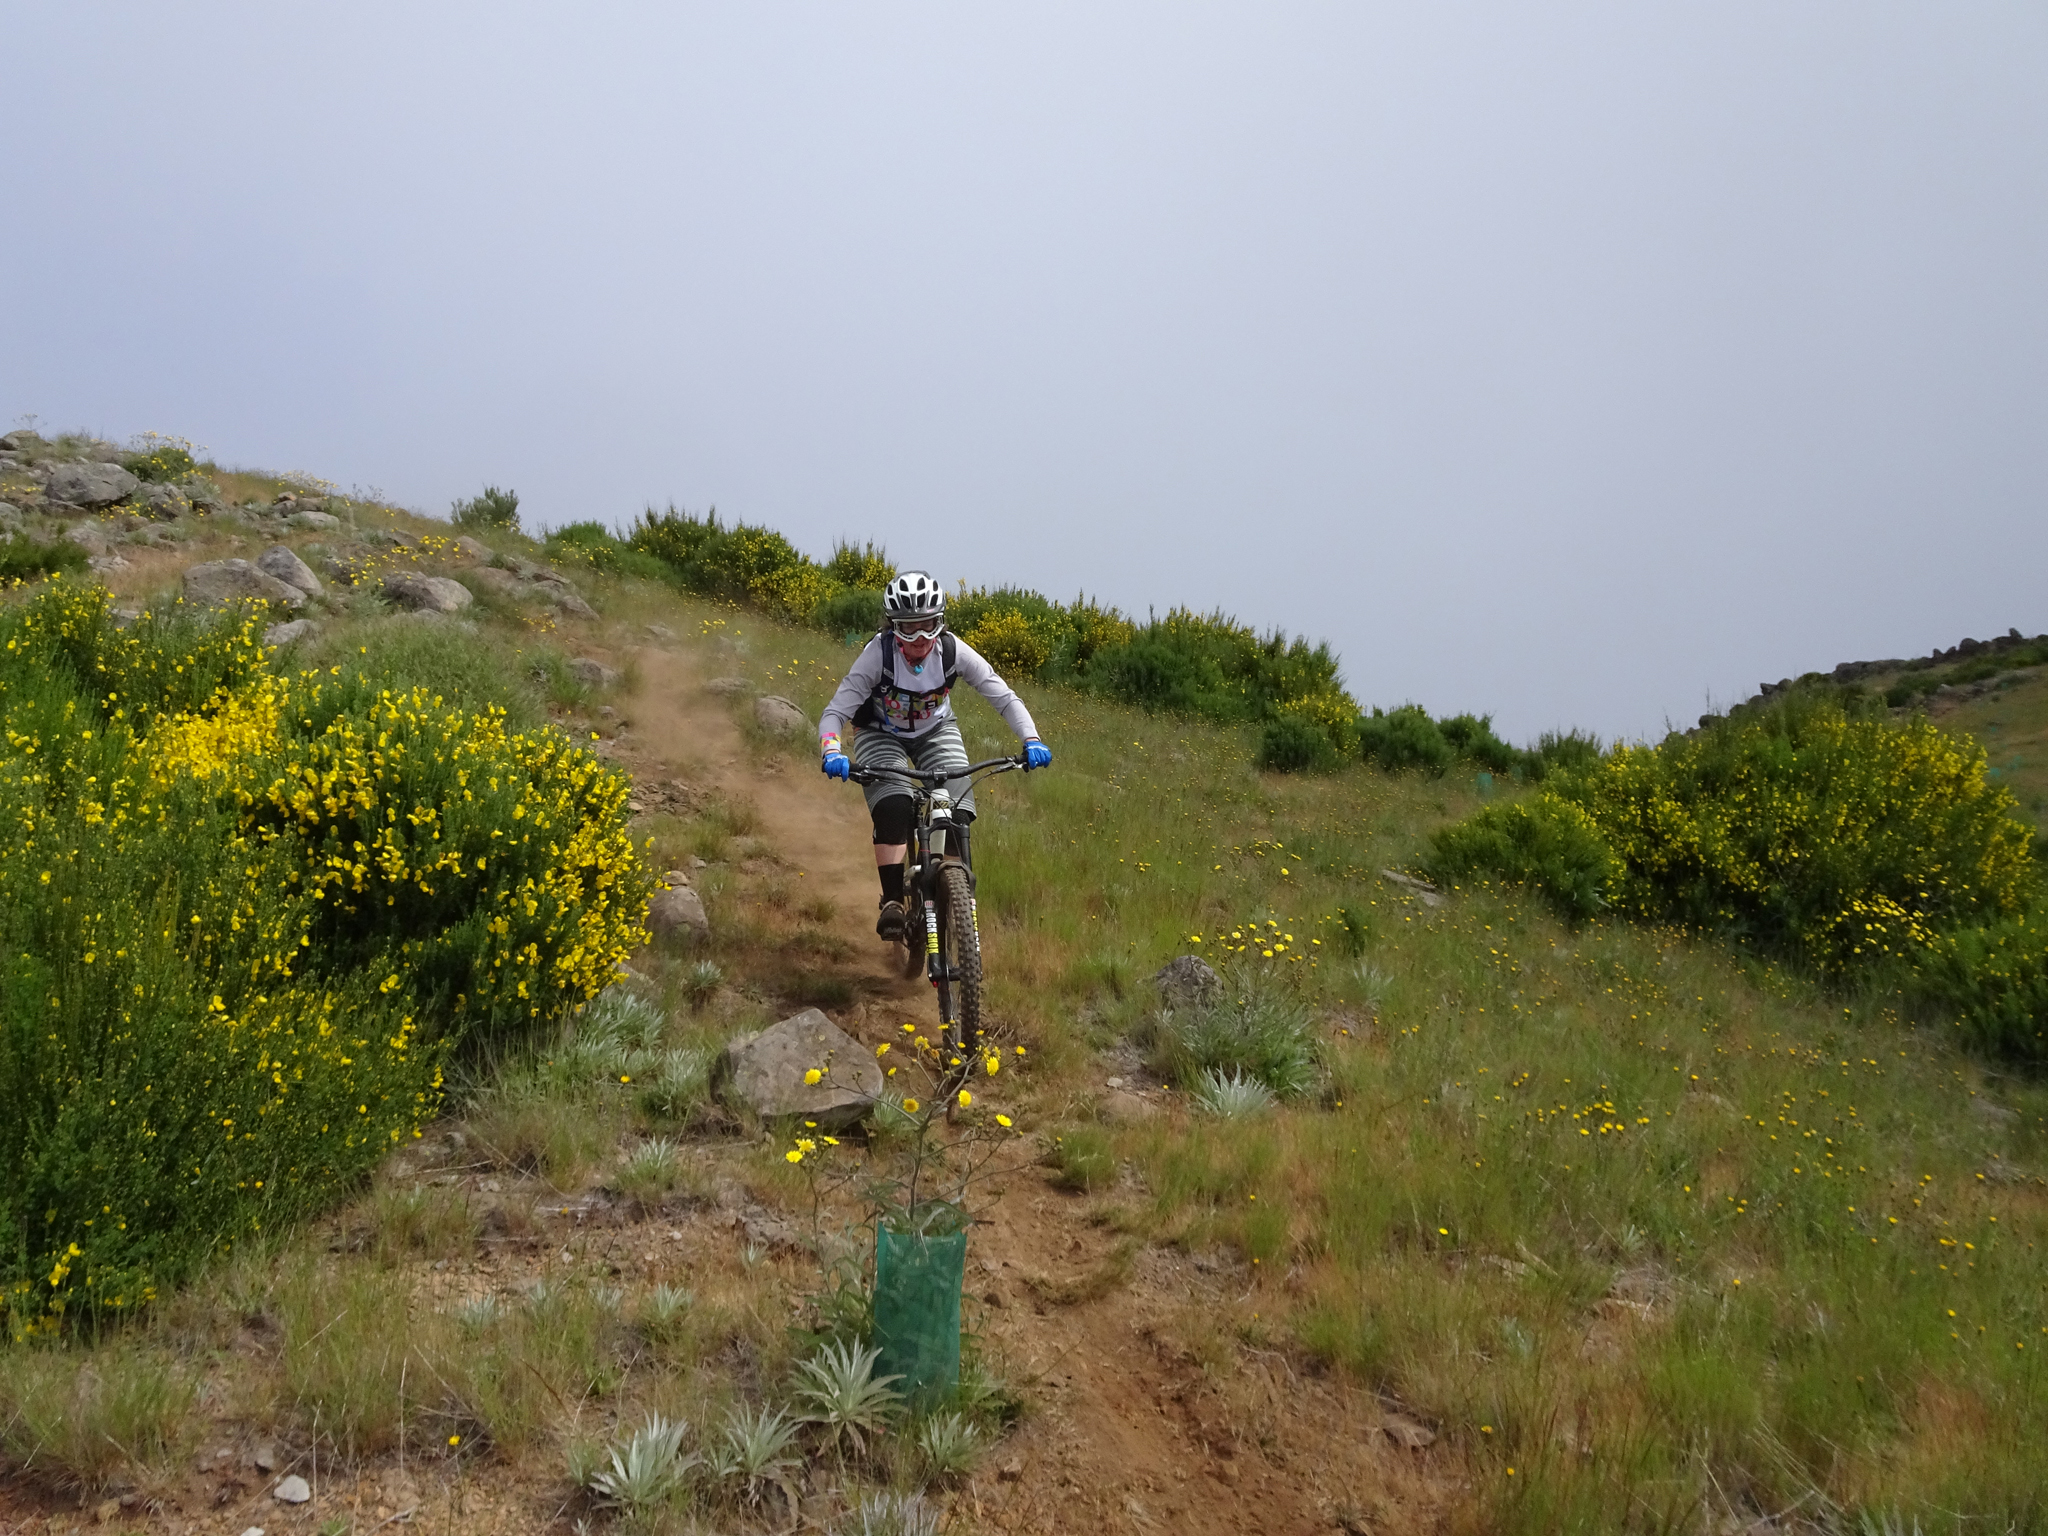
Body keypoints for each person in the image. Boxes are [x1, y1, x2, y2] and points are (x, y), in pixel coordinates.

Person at [819, 571, 1052, 940]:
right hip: (880, 734)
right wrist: (831, 749)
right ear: (893, 626)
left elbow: (1004, 697)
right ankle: (893, 900)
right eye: (908, 628)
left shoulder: (953, 651)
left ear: (939, 622)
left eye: (927, 625)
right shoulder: (877, 655)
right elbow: (835, 712)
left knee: (957, 813)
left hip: (936, 731)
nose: (920, 638)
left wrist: (1032, 738)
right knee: (894, 806)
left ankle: (954, 899)